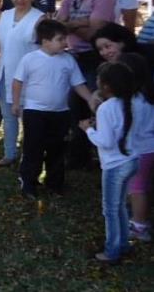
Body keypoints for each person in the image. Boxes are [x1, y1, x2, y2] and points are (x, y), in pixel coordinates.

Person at [11, 19, 94, 200]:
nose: (66, 43)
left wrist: (90, 99)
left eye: (65, 38)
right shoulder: (30, 59)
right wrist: (16, 103)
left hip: (60, 113)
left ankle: (55, 184)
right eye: (60, 39)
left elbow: (78, 83)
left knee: (57, 149)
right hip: (35, 112)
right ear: (45, 41)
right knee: (33, 148)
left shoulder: (68, 60)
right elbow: (17, 82)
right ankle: (29, 183)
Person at [56, 0, 117, 170]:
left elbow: (96, 32)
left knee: (98, 104)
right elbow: (58, 23)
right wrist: (82, 22)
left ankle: (104, 156)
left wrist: (71, 25)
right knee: (74, 106)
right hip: (74, 57)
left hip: (96, 58)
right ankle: (78, 155)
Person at [79, 61, 138, 263]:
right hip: (131, 160)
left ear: (106, 86)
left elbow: (105, 141)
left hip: (114, 165)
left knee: (111, 210)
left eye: (98, 80)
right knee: (120, 206)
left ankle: (111, 251)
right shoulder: (130, 103)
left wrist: (88, 129)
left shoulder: (106, 109)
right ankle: (123, 244)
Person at [0, 0, 44, 165]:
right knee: (9, 117)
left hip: (30, 78)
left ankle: (30, 156)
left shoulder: (39, 19)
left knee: (29, 120)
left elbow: (44, 50)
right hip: (5, 73)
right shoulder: (5, 16)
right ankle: (10, 154)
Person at [117, 53, 154, 243]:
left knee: (136, 188)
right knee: (144, 186)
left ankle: (139, 225)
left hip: (139, 150)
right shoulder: (146, 97)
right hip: (149, 148)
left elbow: (127, 128)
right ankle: (143, 218)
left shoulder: (133, 102)